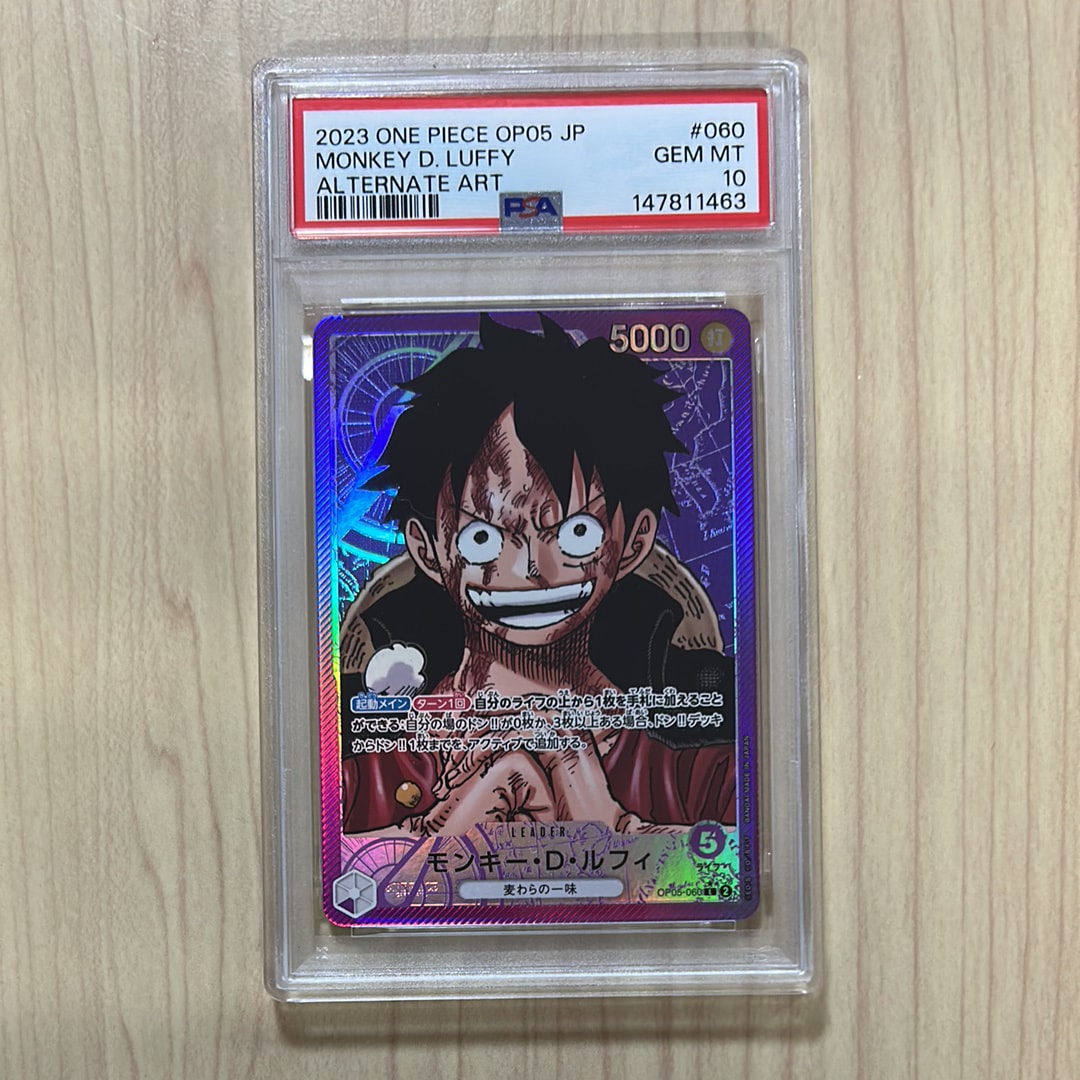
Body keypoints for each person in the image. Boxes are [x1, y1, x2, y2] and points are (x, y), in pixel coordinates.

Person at [339, 313, 737, 835]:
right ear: (428, 549)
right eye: (483, 538)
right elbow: (328, 868)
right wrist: (442, 843)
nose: (531, 569)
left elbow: (743, 860)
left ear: (635, 541)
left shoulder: (702, 768)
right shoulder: (360, 762)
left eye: (576, 534)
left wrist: (611, 828)